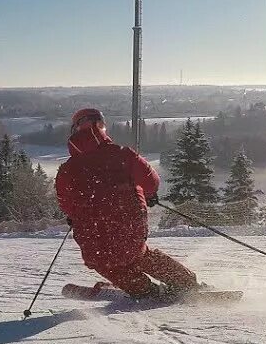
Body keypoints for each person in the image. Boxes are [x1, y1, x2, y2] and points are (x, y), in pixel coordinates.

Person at [55, 108, 199, 300]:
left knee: (102, 260)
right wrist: (147, 194)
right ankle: (185, 283)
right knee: (135, 254)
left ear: (75, 130)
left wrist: (77, 215)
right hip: (128, 222)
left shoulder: (67, 170)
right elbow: (151, 181)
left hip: (91, 233)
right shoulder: (122, 155)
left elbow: (65, 202)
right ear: (100, 127)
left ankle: (143, 290)